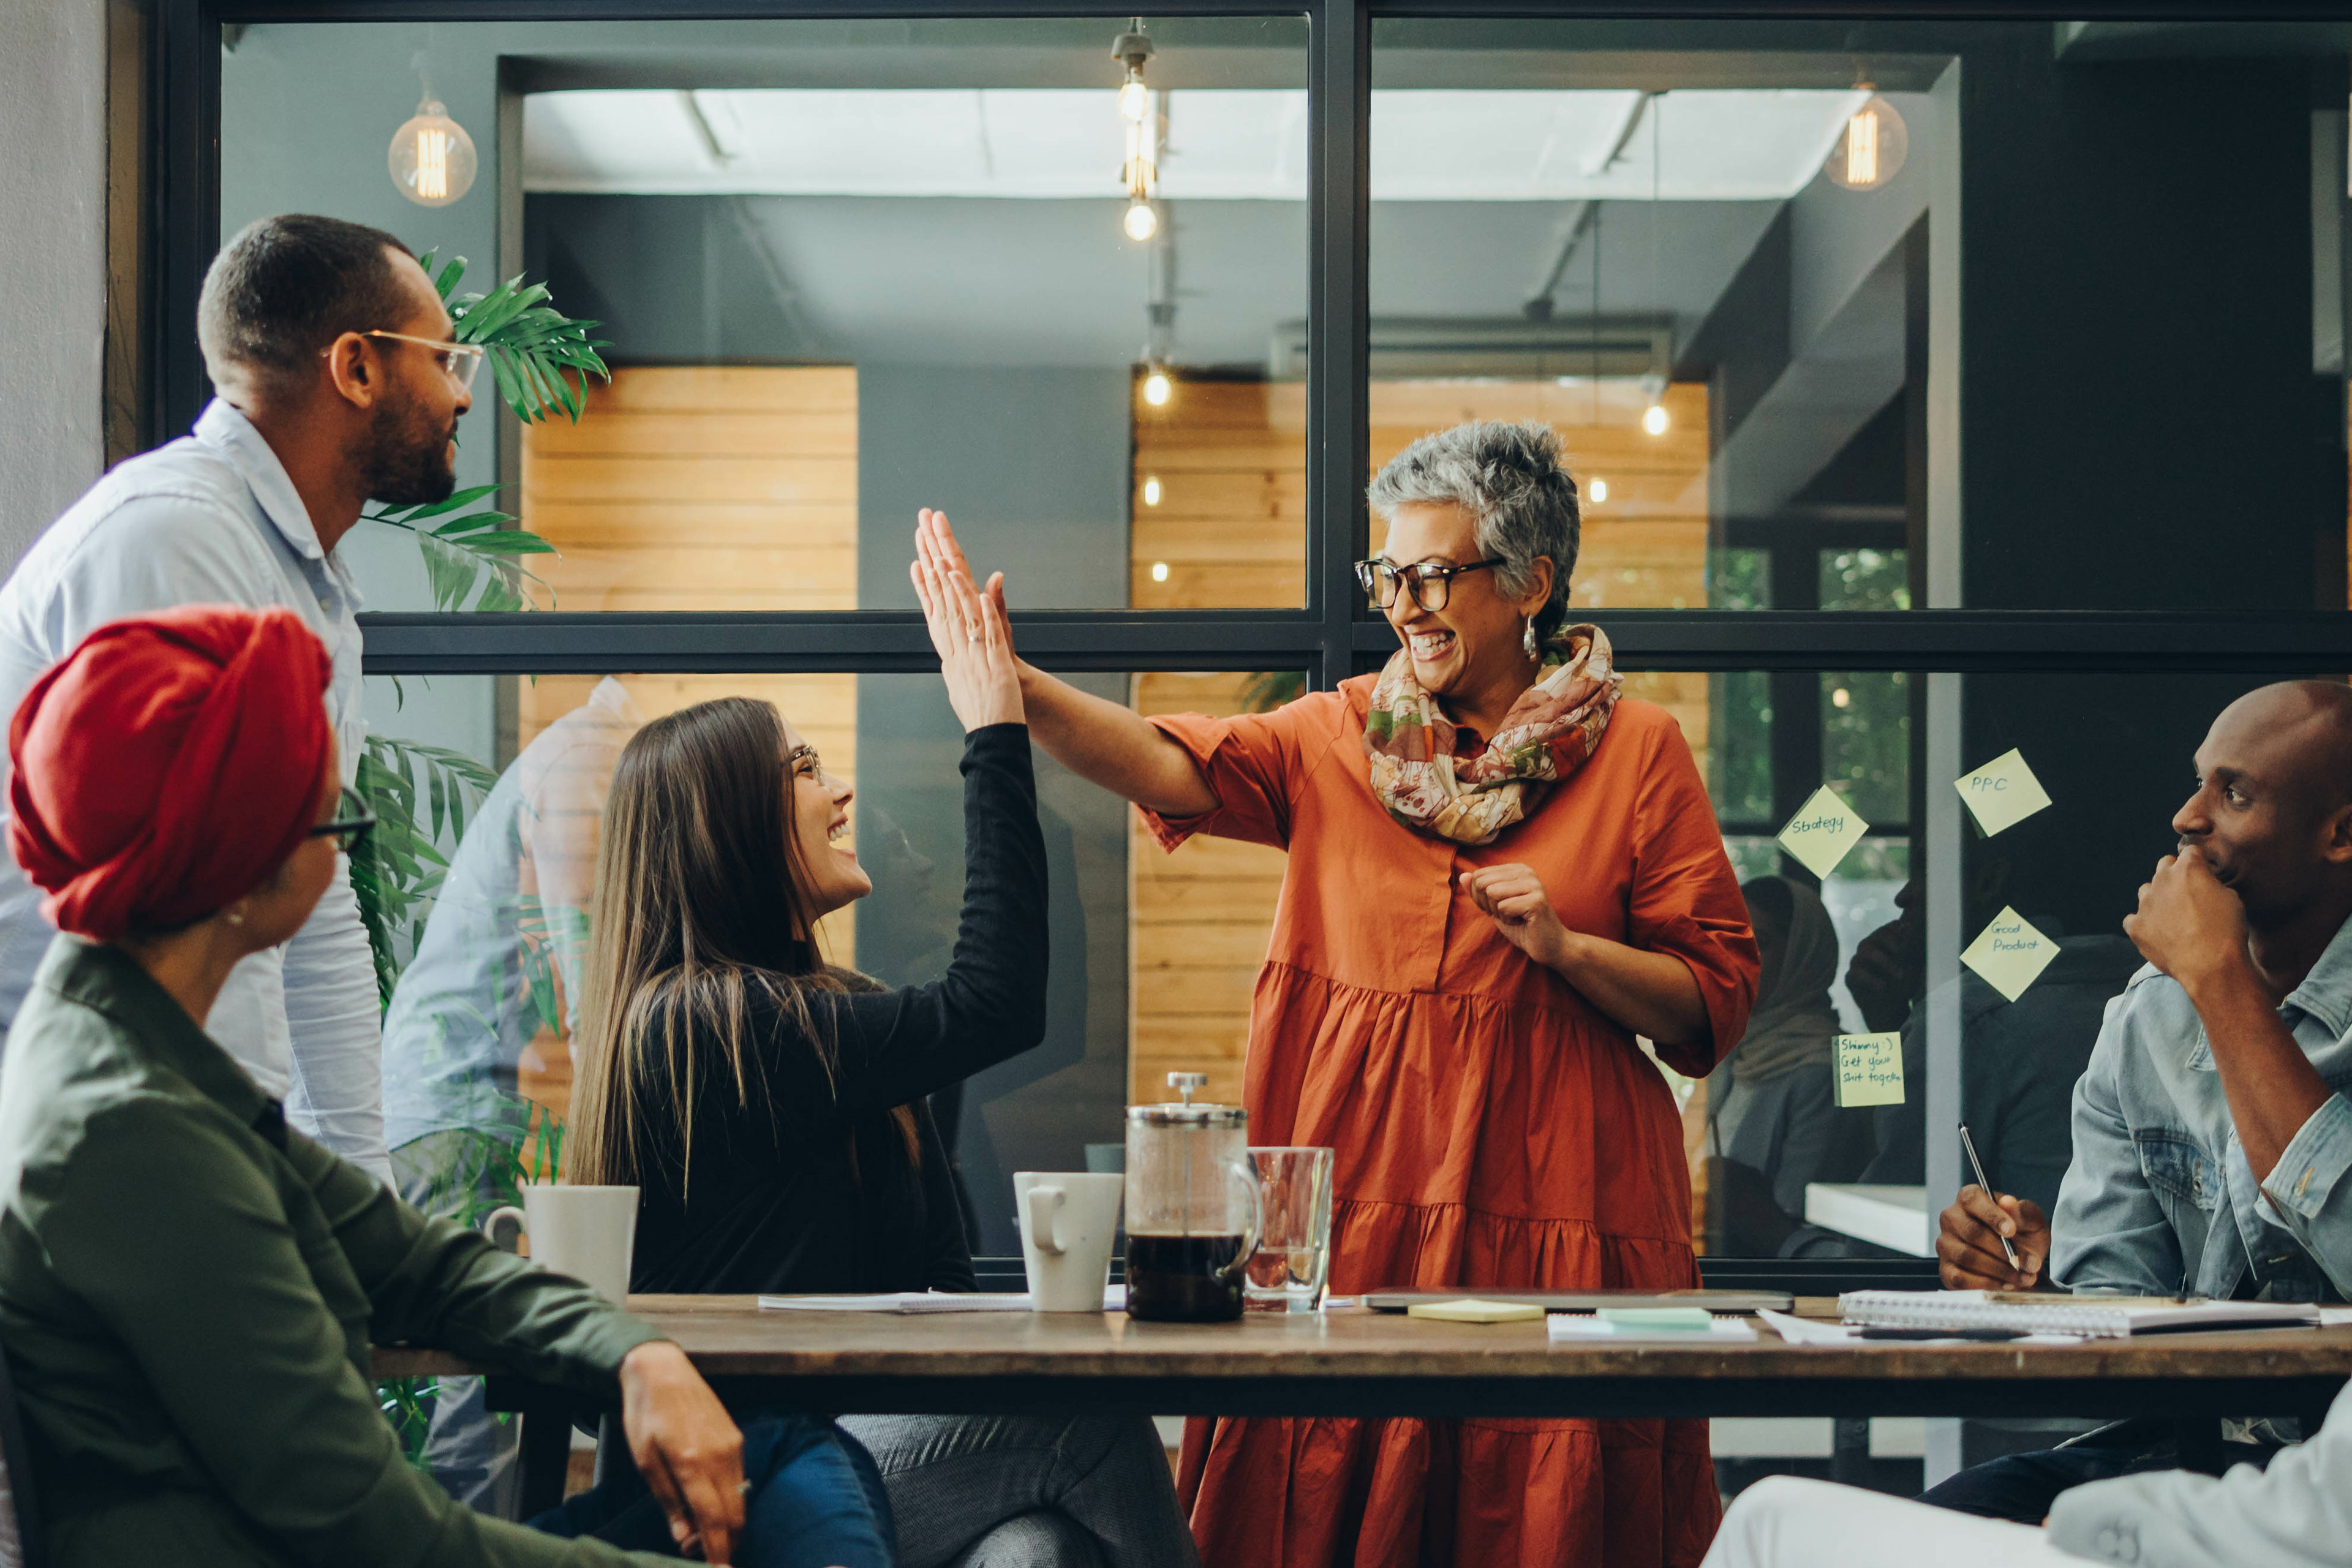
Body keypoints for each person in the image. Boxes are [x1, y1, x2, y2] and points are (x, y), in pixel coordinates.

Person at [915, 417, 1762, 1567]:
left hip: (1561, 1208)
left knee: (1543, 1502)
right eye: (1388, 577)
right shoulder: (1341, 734)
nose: (1403, 606)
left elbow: (1710, 1005)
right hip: (1354, 1210)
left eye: (1431, 577)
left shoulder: (1641, 751)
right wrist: (1010, 688)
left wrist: (1569, 950)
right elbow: (1172, 763)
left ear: (1531, 584)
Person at [0, 605, 895, 1567]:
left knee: (782, 1456)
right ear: (235, 862)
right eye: (326, 812)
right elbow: (386, 1538)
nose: (344, 850)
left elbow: (427, 1268)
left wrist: (638, 1353)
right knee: (793, 1472)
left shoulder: (139, 1052)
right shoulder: (129, 1131)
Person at [565, 557, 1198, 1568]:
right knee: (1092, 1422)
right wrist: (993, 729)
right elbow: (994, 1005)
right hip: (745, 1481)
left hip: (860, 1450)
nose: (844, 787)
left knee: (1035, 1553)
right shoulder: (697, 1027)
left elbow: (936, 1288)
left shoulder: (837, 1024)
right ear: (727, 825)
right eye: (804, 768)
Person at [0, 212, 480, 1182]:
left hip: (162, 1123)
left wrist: (360, 1176)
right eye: (444, 358)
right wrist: (247, 1170)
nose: (462, 395)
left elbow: (316, 890)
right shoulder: (176, 536)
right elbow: (192, 892)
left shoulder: (303, 577)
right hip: (87, 1134)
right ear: (357, 367)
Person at [1924, 679, 2352, 1521]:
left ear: (2341, 833)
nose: (2188, 817)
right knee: (1918, 1526)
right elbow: (2112, 1326)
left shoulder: (2194, 986)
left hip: (2329, 1471)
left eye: (2234, 793)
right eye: (2197, 782)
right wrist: (2033, 1286)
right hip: (2179, 1453)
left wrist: (2220, 980)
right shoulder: (2150, 1014)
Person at [380, 676, 645, 1511]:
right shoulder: (587, 754)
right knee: (480, 1375)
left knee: (484, 1371)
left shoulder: (578, 749)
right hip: (454, 1102)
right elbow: (577, 939)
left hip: (459, 1100)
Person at [1698, 1372, 2352, 1568]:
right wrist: (2023, 1277)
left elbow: (2319, 1521)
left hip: (2237, 1520)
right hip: (2165, 1451)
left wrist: (2081, 1518)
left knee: (1768, 1518)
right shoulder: (2141, 1044)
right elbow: (2107, 1281)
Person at [1699, 876, 1869, 1256]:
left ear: (1801, 955)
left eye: (1757, 943)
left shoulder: (1825, 1072)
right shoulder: (1733, 1053)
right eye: (1727, 939)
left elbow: (1800, 1229)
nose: (1733, 957)